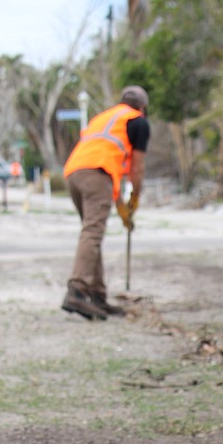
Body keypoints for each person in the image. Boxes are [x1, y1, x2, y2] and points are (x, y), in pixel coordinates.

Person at [61, 85, 151, 321]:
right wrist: (135, 197)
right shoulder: (138, 122)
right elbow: (137, 168)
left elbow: (106, 162)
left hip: (74, 172)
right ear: (142, 107)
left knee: (92, 233)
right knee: (93, 232)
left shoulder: (105, 117)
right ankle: (77, 289)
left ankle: (97, 296)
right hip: (96, 174)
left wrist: (122, 208)